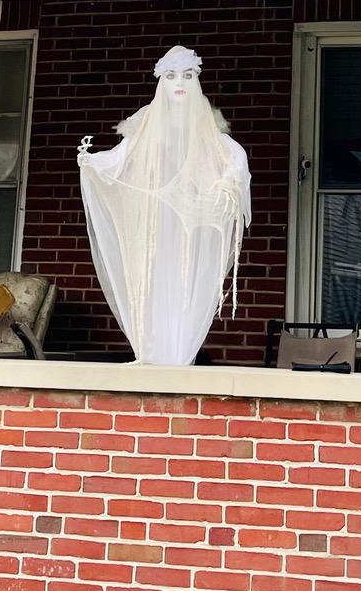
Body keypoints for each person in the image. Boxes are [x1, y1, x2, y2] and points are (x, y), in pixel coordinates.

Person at [78, 47, 249, 364]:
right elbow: (121, 157)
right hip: (155, 224)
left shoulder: (207, 132)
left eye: (186, 75)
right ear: (162, 82)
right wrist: (93, 164)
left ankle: (179, 354)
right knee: (154, 283)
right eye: (170, 76)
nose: (179, 83)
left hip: (190, 220)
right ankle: (152, 352)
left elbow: (232, 155)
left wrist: (228, 181)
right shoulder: (147, 126)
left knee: (184, 283)